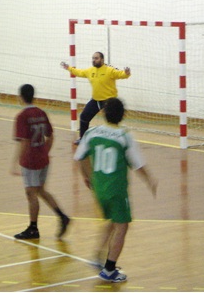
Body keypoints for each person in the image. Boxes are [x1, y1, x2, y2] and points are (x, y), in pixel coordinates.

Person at [74, 97, 157, 283]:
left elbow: (80, 156)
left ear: (102, 113)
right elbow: (138, 164)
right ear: (123, 115)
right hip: (116, 190)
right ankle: (109, 269)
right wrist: (150, 180)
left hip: (99, 189)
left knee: (112, 221)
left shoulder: (92, 133)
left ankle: (97, 257)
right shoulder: (124, 136)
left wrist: (87, 176)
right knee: (122, 226)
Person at [11, 84, 70, 240]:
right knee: (41, 191)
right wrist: (45, 152)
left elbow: (23, 142)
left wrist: (15, 162)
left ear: (21, 97)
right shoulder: (42, 113)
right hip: (43, 159)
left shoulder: (22, 117)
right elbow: (51, 137)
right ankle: (62, 216)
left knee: (31, 193)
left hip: (31, 161)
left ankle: (33, 228)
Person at [61, 52, 131, 145]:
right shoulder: (90, 71)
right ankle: (83, 139)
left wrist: (126, 73)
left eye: (96, 58)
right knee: (84, 117)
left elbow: (121, 74)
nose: (94, 60)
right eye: (93, 58)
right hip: (96, 100)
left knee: (112, 122)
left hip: (109, 101)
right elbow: (79, 72)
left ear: (102, 59)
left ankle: (117, 140)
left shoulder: (110, 70)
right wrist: (69, 68)